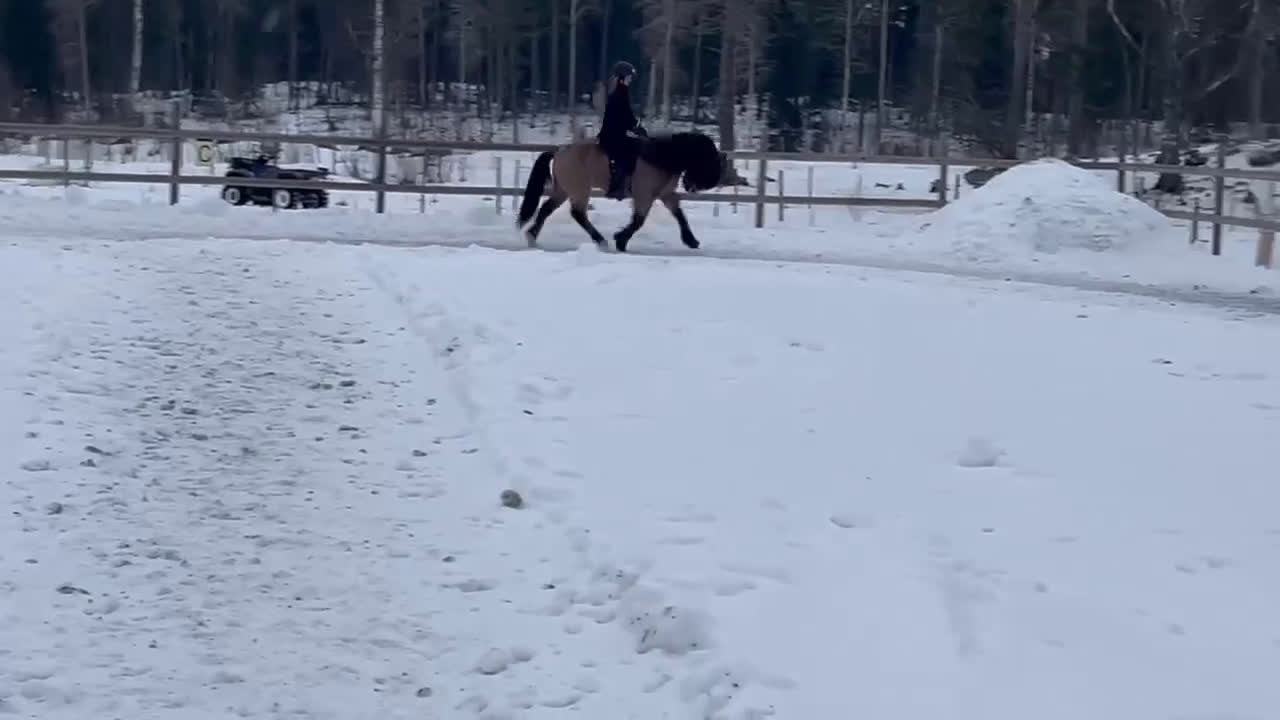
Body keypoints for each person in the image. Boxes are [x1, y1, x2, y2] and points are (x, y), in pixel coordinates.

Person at [597, 61, 647, 200]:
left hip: (617, 133)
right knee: (629, 151)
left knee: (639, 145)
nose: (630, 79)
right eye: (629, 76)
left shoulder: (622, 92)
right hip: (611, 136)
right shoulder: (618, 94)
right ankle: (616, 187)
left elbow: (626, 115)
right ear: (622, 77)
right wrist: (633, 127)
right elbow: (620, 118)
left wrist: (636, 126)